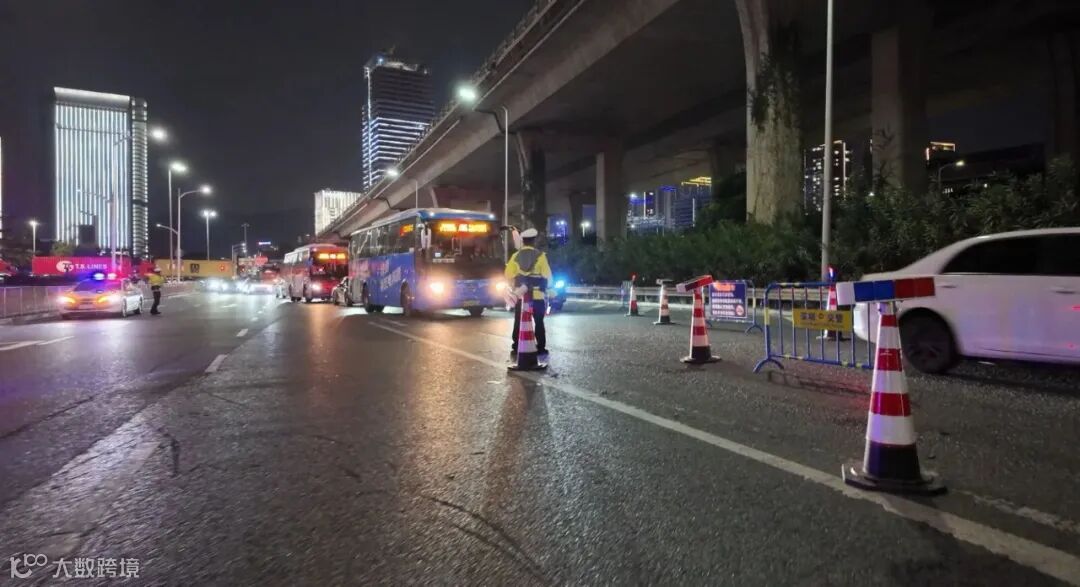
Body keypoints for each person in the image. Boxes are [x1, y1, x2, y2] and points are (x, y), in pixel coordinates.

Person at [505, 228, 552, 355]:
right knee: (539, 322)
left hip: (521, 296)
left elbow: (508, 274)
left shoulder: (515, 256)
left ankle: (516, 345)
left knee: (519, 321)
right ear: (534, 241)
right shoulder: (541, 256)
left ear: (523, 241)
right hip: (537, 295)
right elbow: (547, 275)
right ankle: (541, 347)